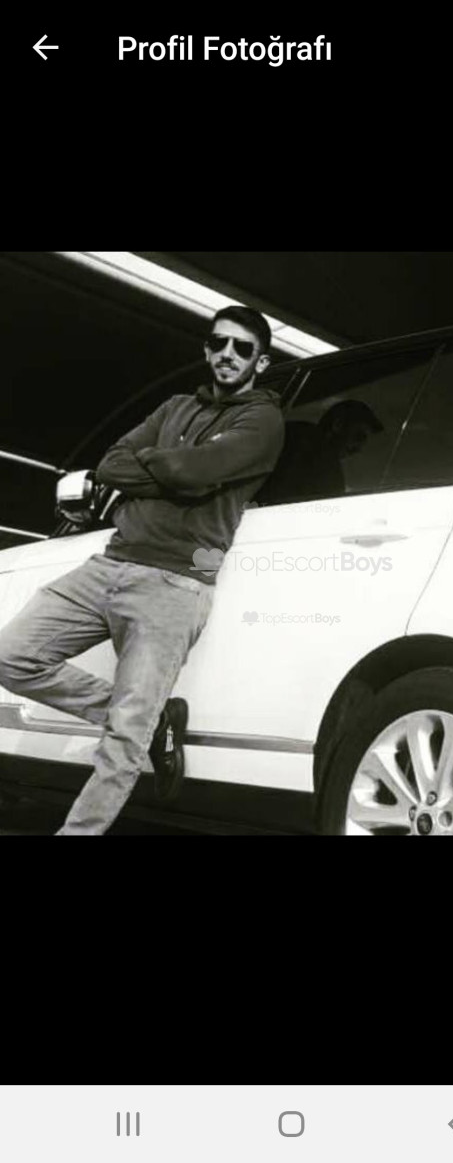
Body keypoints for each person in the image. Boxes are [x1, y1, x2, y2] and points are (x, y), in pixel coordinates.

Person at [0, 306, 285, 835]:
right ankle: (150, 722)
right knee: (11, 655)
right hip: (110, 562)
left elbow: (196, 473)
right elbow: (111, 463)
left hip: (173, 584)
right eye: (219, 343)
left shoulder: (262, 421)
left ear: (261, 362)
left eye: (243, 348)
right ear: (207, 349)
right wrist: (174, 469)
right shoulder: (175, 406)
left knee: (122, 743)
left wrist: (157, 463)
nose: (228, 354)